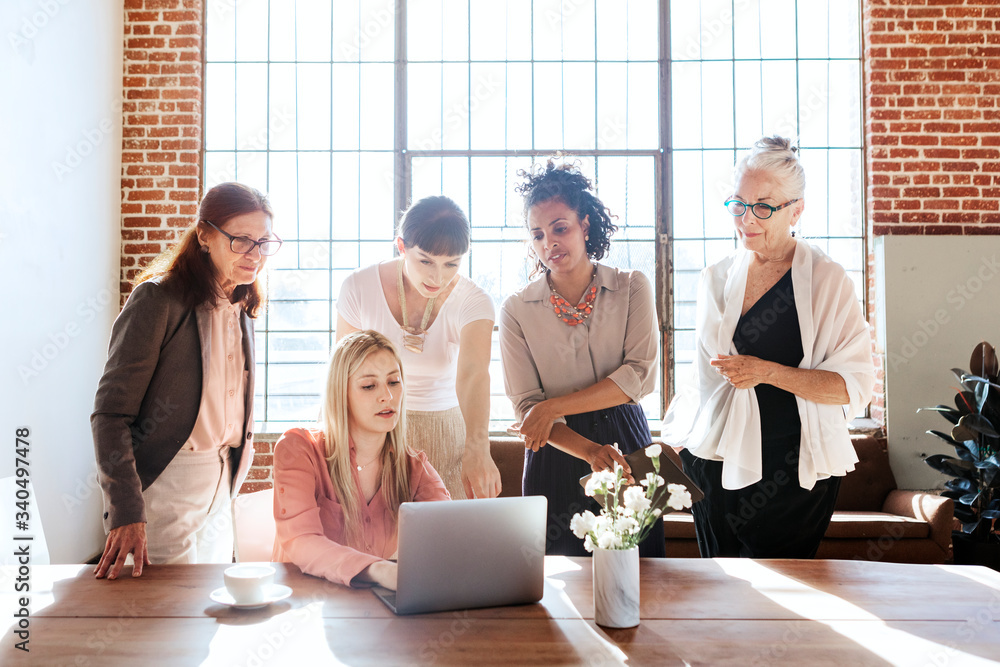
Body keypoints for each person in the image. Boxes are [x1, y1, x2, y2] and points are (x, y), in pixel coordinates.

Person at [663, 136, 876, 559]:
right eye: (738, 204)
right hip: (715, 463)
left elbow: (852, 387)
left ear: (797, 209)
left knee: (786, 600)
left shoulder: (827, 281)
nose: (746, 219)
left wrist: (767, 371)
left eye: (763, 206)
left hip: (795, 471)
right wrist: (680, 439)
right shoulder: (715, 278)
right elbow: (700, 377)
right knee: (721, 596)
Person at [92, 182, 280, 579]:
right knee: (161, 617)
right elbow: (110, 413)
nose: (255, 254)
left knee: (205, 612)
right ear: (204, 236)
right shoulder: (158, 299)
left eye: (263, 242)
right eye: (241, 240)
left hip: (222, 478)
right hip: (166, 479)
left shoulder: (242, 304)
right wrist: (126, 508)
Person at [499, 159, 665, 557]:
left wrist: (552, 406)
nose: (549, 243)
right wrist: (586, 449)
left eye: (560, 228)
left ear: (585, 225)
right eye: (537, 234)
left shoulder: (631, 287)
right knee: (560, 590)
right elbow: (527, 409)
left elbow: (639, 377)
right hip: (555, 450)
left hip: (626, 444)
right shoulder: (516, 310)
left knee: (642, 574)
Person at [336, 196, 500, 500]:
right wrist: (336, 441)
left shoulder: (474, 300)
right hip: (374, 429)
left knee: (445, 537)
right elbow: (342, 373)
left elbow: (474, 375)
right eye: (425, 261)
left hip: (446, 432)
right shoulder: (358, 287)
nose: (437, 277)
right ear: (402, 246)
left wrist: (478, 448)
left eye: (451, 264)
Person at [272, 330, 450, 589]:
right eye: (369, 386)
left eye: (393, 382)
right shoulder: (298, 449)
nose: (387, 397)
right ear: (340, 394)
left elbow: (451, 535)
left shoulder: (414, 468)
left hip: (370, 610)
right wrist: (378, 569)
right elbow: (302, 540)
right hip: (299, 604)